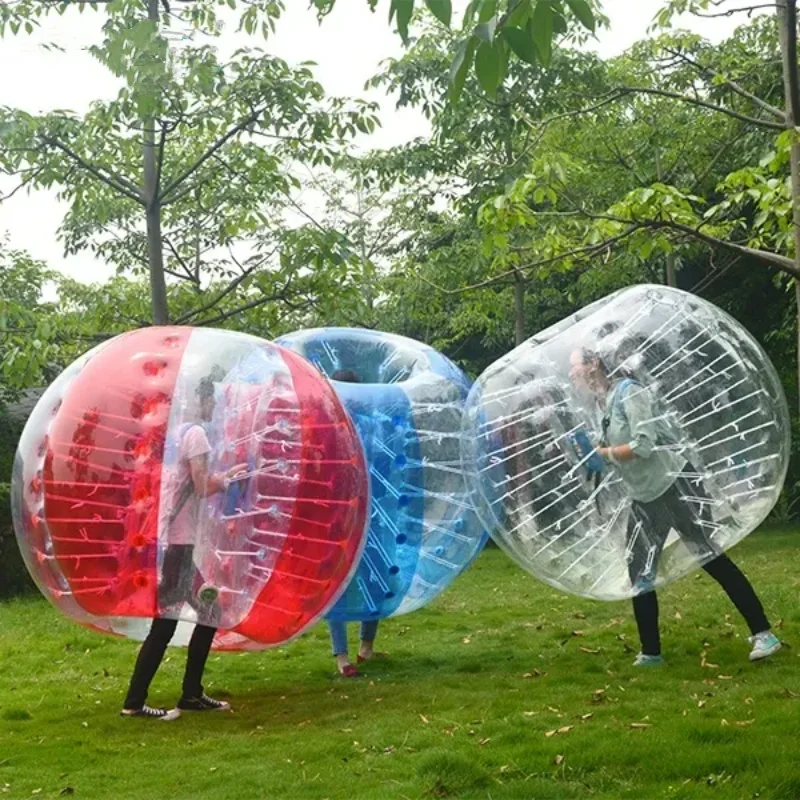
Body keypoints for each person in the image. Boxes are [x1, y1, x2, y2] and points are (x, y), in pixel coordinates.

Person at [568, 345, 781, 667]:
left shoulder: (630, 393)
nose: (572, 375)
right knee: (639, 573)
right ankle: (651, 653)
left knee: (710, 557)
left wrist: (604, 454)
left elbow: (644, 445)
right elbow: (615, 456)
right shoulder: (602, 405)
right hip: (645, 495)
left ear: (594, 363)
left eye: (575, 367)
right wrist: (593, 456)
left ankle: (764, 634)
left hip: (676, 485)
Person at [121, 375, 247, 720]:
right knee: (183, 619)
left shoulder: (175, 434)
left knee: (193, 616)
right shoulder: (195, 434)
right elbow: (203, 486)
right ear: (201, 400)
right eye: (213, 400)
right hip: (178, 543)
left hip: (172, 540)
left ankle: (187, 694)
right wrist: (230, 478)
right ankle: (141, 701)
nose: (216, 407)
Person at [326, 368, 387, 678]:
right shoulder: (332, 427)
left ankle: (358, 651)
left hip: (364, 515)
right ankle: (348, 655)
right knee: (343, 584)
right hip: (345, 517)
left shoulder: (365, 425)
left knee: (365, 580)